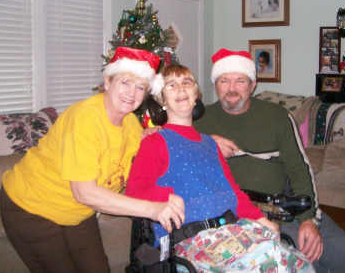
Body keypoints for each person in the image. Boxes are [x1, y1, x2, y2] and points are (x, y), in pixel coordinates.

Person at [0, 47, 185, 273]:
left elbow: (138, 168)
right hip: (32, 206)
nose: (132, 93)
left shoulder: (130, 124)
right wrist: (152, 209)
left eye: (140, 87)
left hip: (78, 211)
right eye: (125, 82)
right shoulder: (85, 119)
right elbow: (85, 192)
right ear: (107, 82)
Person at [125, 64, 314, 273]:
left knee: (299, 263)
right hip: (189, 242)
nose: (180, 89)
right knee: (272, 259)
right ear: (161, 99)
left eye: (186, 83)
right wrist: (168, 196)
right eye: (171, 85)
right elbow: (134, 192)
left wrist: (260, 219)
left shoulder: (209, 144)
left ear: (196, 95)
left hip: (230, 231)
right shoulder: (155, 142)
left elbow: (234, 193)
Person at [194, 48, 345, 273]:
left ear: (252, 85)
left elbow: (299, 169)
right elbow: (169, 145)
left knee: (344, 251)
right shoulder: (199, 121)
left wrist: (308, 220)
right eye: (224, 81)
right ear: (215, 84)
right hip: (233, 215)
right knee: (295, 261)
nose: (232, 89)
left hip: (282, 207)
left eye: (240, 81)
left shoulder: (278, 117)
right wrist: (206, 142)